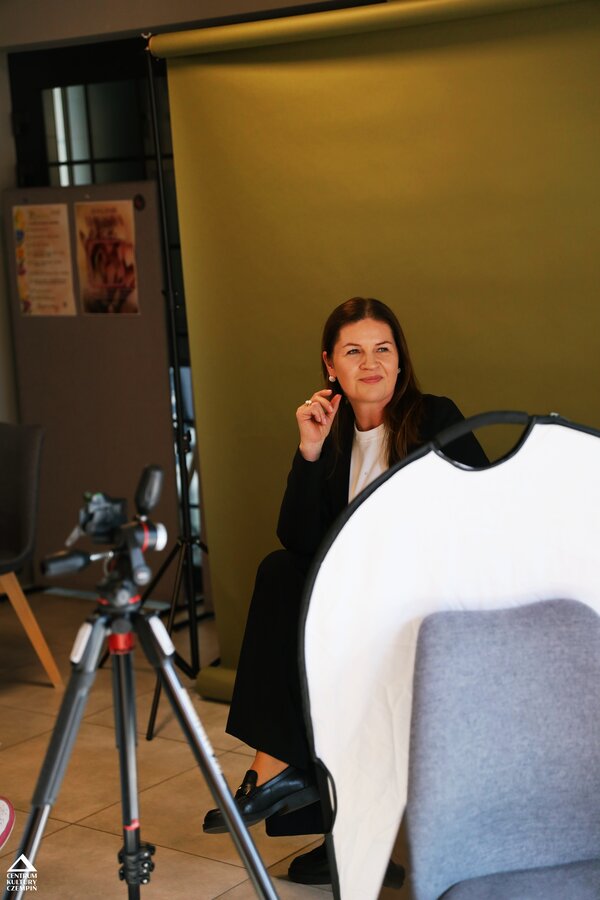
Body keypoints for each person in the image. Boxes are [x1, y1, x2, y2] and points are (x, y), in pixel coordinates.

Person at [203, 297, 487, 883]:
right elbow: (299, 539)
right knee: (282, 572)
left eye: (383, 349)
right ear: (330, 365)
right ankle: (339, 825)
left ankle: (279, 772)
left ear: (401, 360)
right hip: (356, 604)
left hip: (427, 599)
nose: (371, 363)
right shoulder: (331, 434)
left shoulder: (435, 417)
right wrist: (309, 451)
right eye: (354, 351)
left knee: (288, 588)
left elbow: (480, 511)